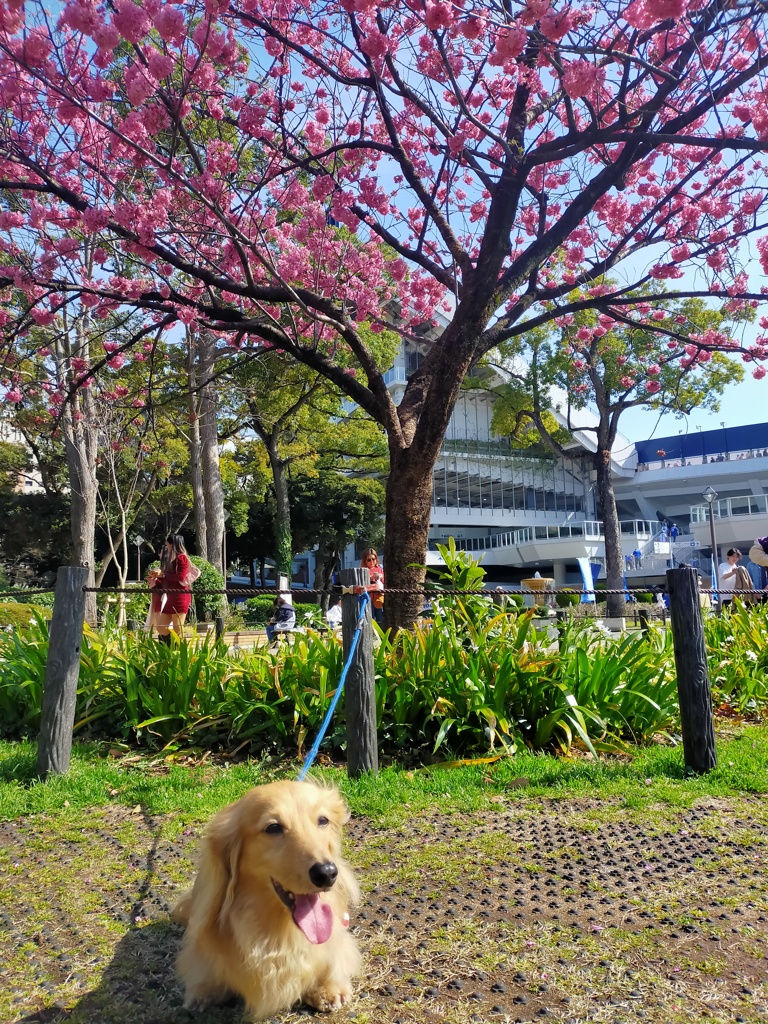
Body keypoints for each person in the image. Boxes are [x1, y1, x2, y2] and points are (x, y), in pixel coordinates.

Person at [147, 535, 194, 641]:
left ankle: (179, 650)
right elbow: (168, 581)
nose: (166, 547)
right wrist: (155, 580)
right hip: (171, 597)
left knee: (178, 628)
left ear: (173, 545)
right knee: (161, 627)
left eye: (168, 545)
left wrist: (162, 575)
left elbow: (180, 576)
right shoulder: (172, 561)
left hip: (180, 597)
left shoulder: (182, 558)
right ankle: (171, 645)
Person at [358, 547, 384, 626]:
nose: (372, 561)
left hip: (379, 599)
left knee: (380, 620)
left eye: (374, 559)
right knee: (369, 621)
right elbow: (360, 585)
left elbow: (384, 582)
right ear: (365, 561)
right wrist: (370, 578)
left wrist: (380, 577)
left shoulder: (380, 569)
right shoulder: (362, 570)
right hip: (367, 600)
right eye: (369, 560)